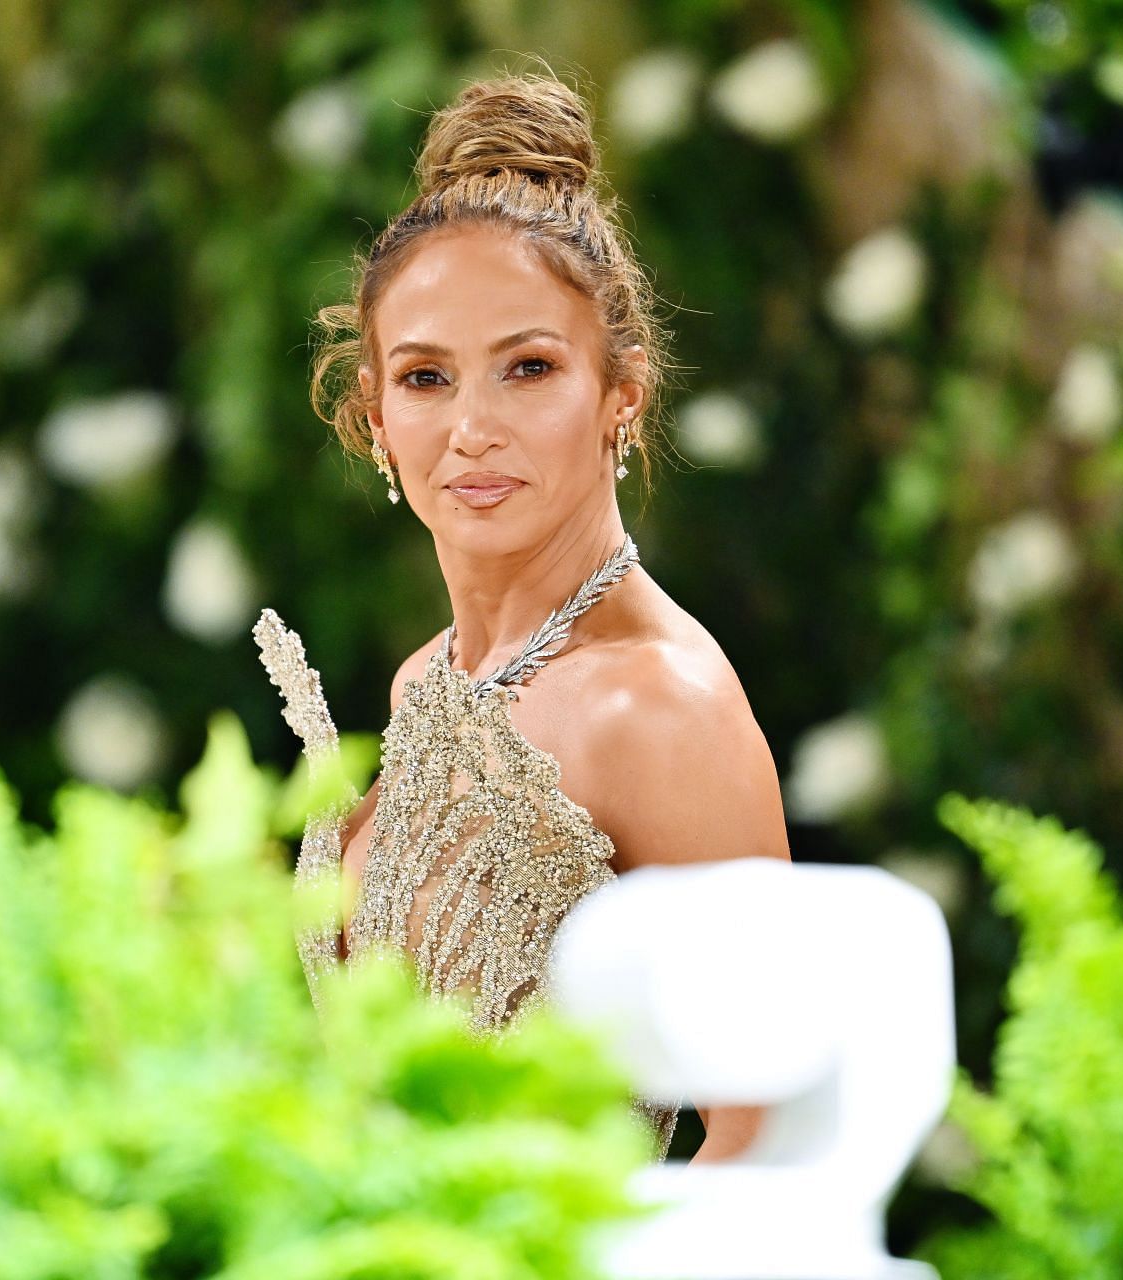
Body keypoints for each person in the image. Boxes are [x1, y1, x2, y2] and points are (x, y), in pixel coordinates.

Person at [253, 67, 791, 1164]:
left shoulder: (660, 707)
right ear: (373, 419)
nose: (473, 429)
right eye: (427, 378)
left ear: (619, 395)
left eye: (529, 368)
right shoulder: (426, 682)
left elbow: (769, 1137)